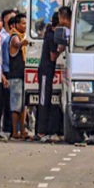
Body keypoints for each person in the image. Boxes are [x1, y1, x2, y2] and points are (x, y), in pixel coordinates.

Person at [36, 13, 59, 142]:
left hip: (47, 71)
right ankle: (41, 131)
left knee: (46, 99)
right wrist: (61, 49)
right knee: (44, 100)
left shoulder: (49, 32)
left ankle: (44, 129)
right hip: (45, 71)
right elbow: (52, 57)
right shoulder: (51, 36)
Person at [8, 13, 29, 140]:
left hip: (23, 75)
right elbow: (16, 44)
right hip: (15, 76)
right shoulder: (14, 36)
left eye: (26, 23)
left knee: (23, 105)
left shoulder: (23, 36)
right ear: (16, 25)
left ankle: (23, 130)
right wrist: (23, 42)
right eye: (22, 23)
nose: (24, 26)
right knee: (16, 106)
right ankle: (15, 131)